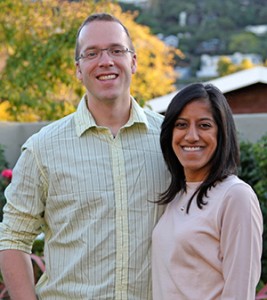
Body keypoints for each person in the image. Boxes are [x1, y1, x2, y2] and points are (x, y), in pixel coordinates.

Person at [0, 13, 170, 300]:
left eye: (117, 50)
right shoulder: (43, 149)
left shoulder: (169, 141)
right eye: (92, 53)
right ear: (78, 69)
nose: (106, 61)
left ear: (134, 61)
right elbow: (13, 238)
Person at [152, 82, 263, 300]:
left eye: (204, 125)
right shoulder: (176, 196)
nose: (191, 136)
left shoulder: (235, 196)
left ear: (222, 133)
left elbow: (239, 292)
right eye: (181, 125)